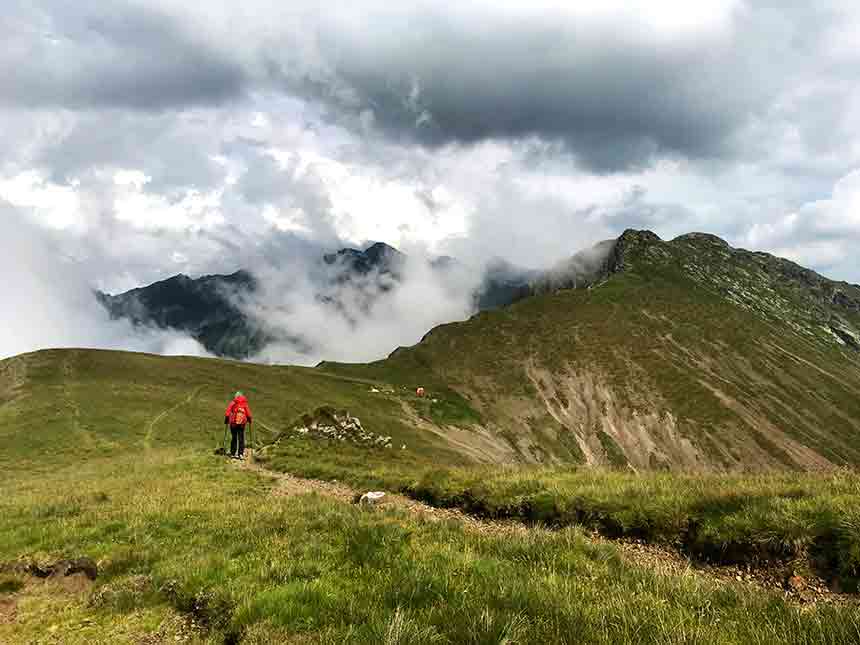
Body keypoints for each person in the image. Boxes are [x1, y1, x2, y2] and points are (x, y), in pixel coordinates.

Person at [224, 391, 253, 459]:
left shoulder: (233, 402)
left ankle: (233, 453)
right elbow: (248, 413)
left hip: (233, 423)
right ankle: (240, 454)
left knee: (234, 437)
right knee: (241, 438)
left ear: (236, 396)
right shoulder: (244, 403)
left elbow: (228, 412)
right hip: (242, 424)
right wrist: (249, 420)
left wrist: (226, 420)